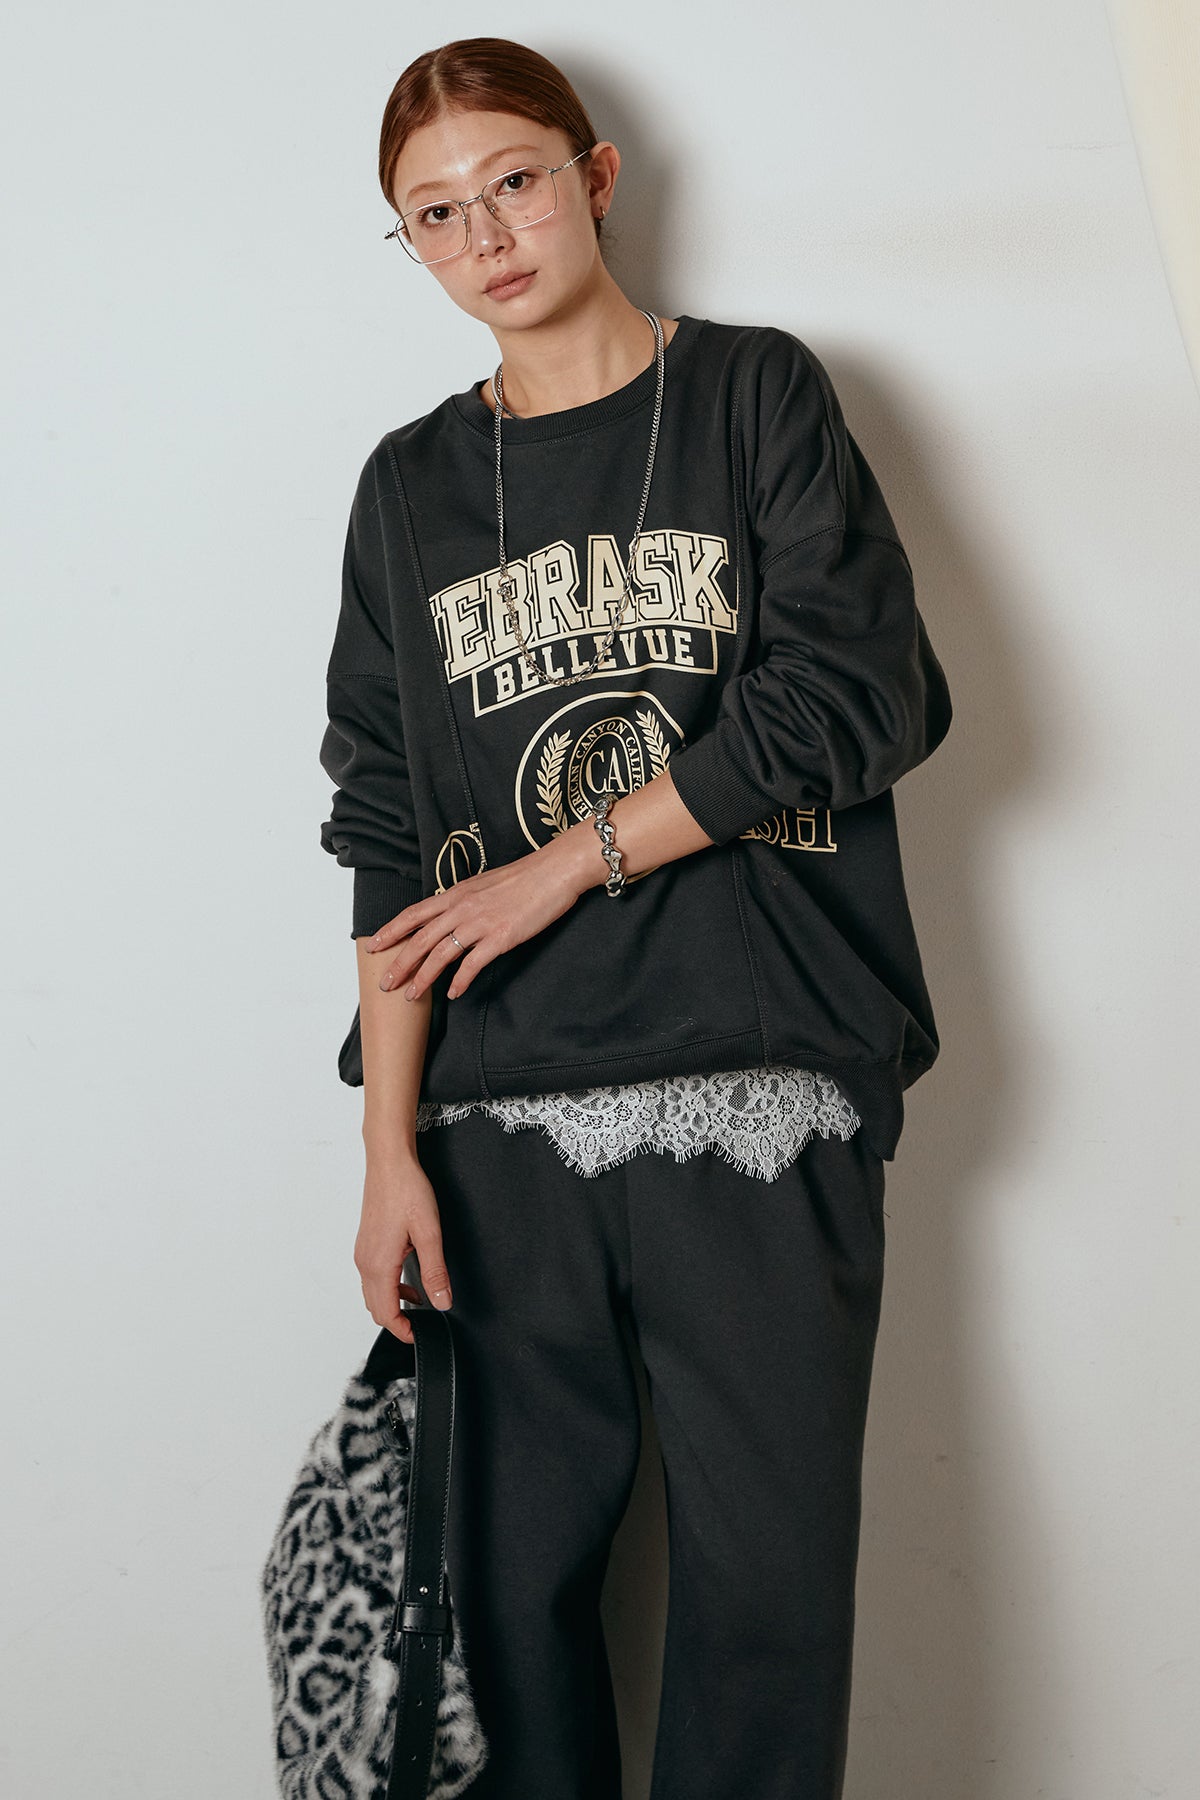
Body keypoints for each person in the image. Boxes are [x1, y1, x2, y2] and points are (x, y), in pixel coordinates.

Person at [317, 35, 953, 1800]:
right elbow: (384, 828)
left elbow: (857, 693)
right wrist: (385, 1148)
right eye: (435, 215)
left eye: (514, 182)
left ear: (594, 179)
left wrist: (559, 863)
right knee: (502, 1612)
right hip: (498, 1119)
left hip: (758, 1081)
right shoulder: (407, 491)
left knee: (767, 1602)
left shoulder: (754, 395)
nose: (486, 237)